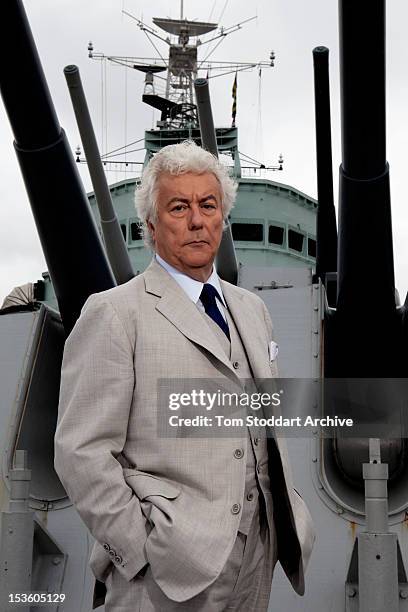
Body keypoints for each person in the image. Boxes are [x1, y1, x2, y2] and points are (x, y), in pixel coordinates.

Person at [54, 140, 315, 611]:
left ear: (223, 218)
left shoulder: (252, 310)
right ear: (151, 225)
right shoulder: (115, 313)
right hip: (165, 573)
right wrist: (141, 553)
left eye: (208, 205)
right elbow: (81, 453)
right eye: (179, 206)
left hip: (257, 554)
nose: (197, 220)